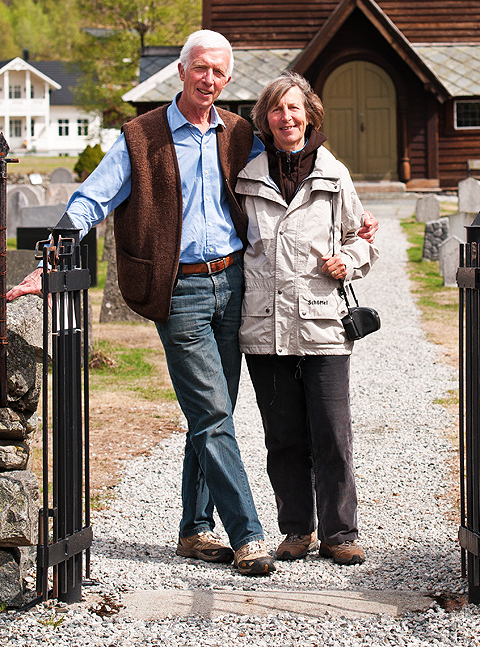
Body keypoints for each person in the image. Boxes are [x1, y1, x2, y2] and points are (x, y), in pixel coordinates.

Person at [7, 30, 274, 575]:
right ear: (181, 70)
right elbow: (93, 197)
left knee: (211, 414)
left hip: (233, 285)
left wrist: (350, 216)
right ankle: (248, 535)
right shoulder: (142, 135)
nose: (208, 80)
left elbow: (286, 174)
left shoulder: (240, 132)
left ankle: (194, 530)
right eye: (200, 68)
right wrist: (51, 260)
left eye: (218, 72)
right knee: (213, 412)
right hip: (179, 290)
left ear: (227, 78)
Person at [235, 71, 378, 566]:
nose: (286, 117)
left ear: (310, 115)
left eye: (294, 108)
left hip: (323, 326)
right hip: (265, 329)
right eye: (276, 109)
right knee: (283, 439)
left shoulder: (334, 176)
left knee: (333, 435)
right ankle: (297, 530)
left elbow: (361, 238)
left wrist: (349, 260)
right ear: (265, 120)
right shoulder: (246, 177)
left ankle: (340, 533)